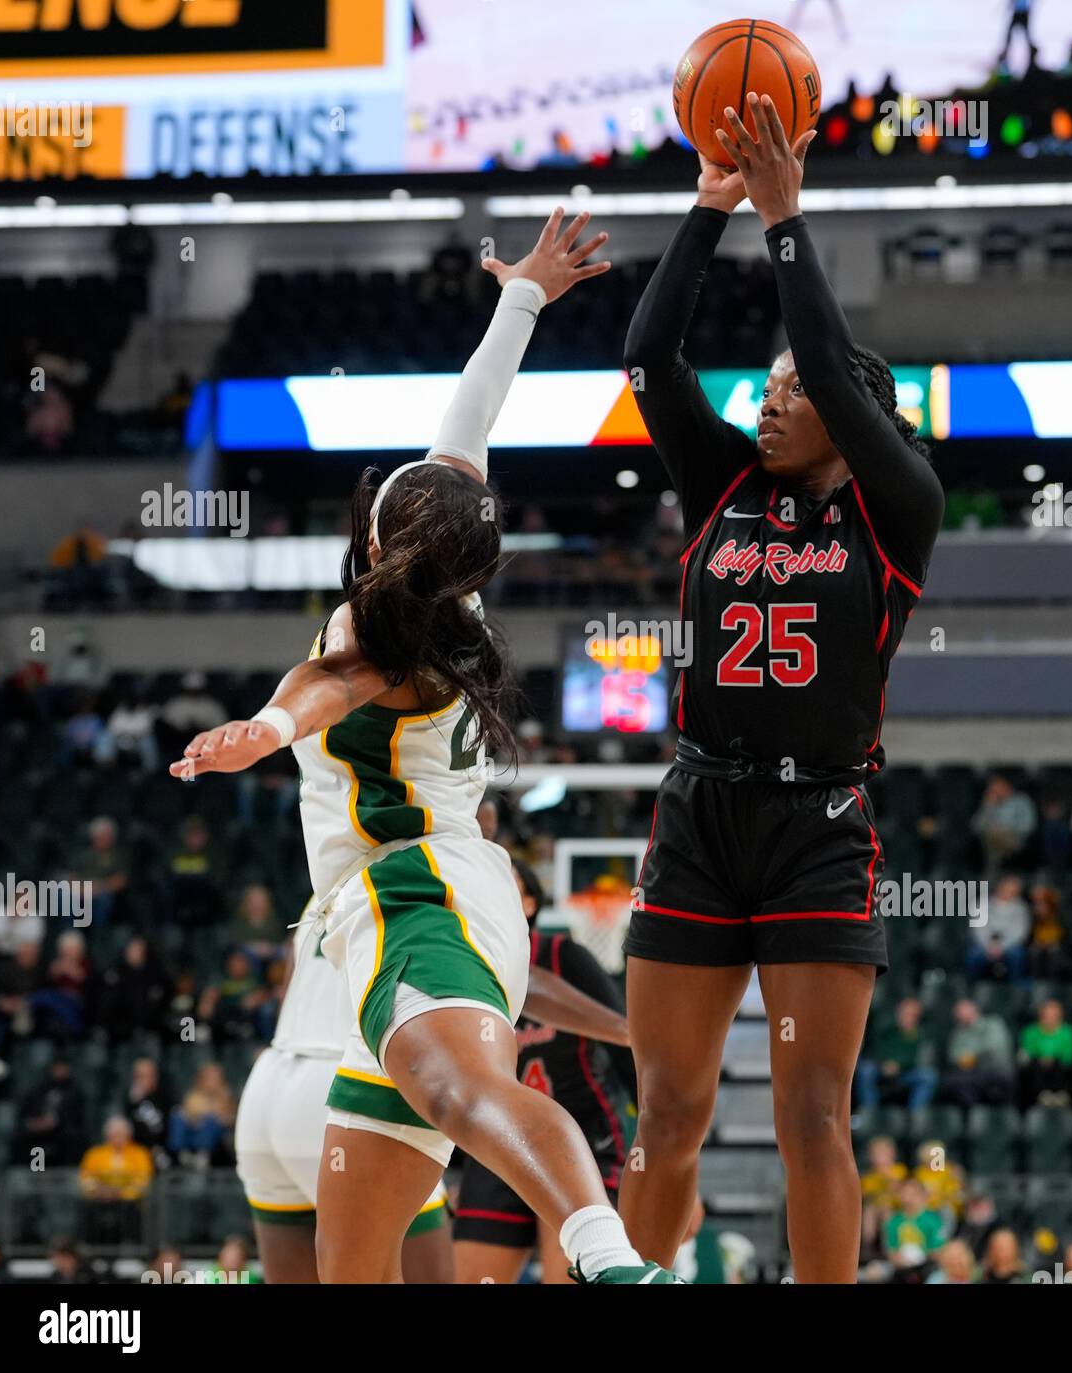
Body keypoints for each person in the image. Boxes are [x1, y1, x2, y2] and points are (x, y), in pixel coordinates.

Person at [172, 210, 677, 1286]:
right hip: (405, 912)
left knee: (464, 1094)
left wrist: (261, 728)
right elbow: (470, 418)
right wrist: (524, 296)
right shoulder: (453, 580)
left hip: (416, 892)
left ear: (373, 539)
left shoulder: (379, 633)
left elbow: (324, 686)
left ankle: (609, 1256)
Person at [618, 91, 943, 1284]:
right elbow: (649, 359)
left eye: (794, 386)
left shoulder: (896, 506)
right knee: (665, 1115)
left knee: (814, 1115)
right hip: (701, 815)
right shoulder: (720, 485)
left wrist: (789, 220)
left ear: (855, 415)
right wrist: (709, 215)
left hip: (820, 826)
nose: (769, 394)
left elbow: (836, 373)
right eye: (765, 379)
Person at [236, 887, 633, 1283]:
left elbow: (290, 984)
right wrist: (626, 1030)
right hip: (341, 1081)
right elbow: (521, 980)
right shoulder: (434, 876)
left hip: (269, 1085)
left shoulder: (332, 879)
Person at [453, 859, 638, 1283]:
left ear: (530, 902)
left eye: (509, 884)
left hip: (582, 1138)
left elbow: (626, 1043)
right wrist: (453, 1170)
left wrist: (662, 1150)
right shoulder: (462, 969)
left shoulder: (564, 956)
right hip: (497, 1143)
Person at [78, 1116, 155, 1244]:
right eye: (114, 1135)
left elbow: (143, 1181)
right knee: (86, 1210)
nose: (117, 1139)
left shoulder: (140, 1154)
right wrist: (99, 1192)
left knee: (132, 1212)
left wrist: (120, 1193)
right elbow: (86, 1179)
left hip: (129, 1203)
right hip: (100, 1200)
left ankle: (132, 1246)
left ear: (129, 1135)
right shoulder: (94, 1154)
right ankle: (90, 1246)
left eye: (121, 1135)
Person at [855, 996, 937, 1108]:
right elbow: (875, 1050)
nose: (907, 1017)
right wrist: (884, 1064)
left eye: (912, 1015)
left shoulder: (920, 1036)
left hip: (906, 1072)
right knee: (866, 1070)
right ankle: (870, 1111)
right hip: (882, 1069)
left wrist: (899, 1066)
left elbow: (919, 1059)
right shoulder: (888, 1031)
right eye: (905, 1013)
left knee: (928, 1076)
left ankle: (915, 1116)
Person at [941, 998, 1014, 1107]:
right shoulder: (958, 1033)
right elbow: (954, 1056)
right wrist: (972, 1057)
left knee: (1002, 1077)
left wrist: (970, 1056)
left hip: (996, 1068)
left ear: (974, 1009)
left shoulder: (993, 1023)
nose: (960, 1015)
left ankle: (1003, 1112)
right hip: (972, 1071)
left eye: (963, 1011)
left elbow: (993, 1048)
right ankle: (974, 1114)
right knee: (952, 1081)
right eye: (957, 1013)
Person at [966, 873, 1029, 981]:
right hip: (984, 944)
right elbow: (978, 928)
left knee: (1018, 955)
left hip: (1009, 945)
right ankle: (972, 987)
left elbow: (1020, 931)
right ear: (1000, 887)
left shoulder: (1021, 907)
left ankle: (1016, 989)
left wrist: (1002, 946)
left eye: (1014, 890)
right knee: (973, 955)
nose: (1010, 892)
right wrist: (989, 946)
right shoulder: (982, 903)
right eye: (1008, 888)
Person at [1018, 999, 1072, 1107]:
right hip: (1037, 1066)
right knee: (1033, 1065)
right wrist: (1043, 1057)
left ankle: (1061, 1094)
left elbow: (1070, 1054)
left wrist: (1052, 1057)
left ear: (1060, 1016)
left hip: (1060, 1067)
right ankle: (1042, 1094)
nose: (1050, 1019)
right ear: (1041, 1016)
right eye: (1047, 1015)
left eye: (1054, 1016)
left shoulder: (1068, 1032)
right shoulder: (1030, 1031)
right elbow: (1027, 1051)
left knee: (1060, 1064)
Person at [971, 773, 1036, 872]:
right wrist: (988, 807)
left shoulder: (1021, 800)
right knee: (992, 836)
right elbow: (976, 827)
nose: (995, 790)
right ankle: (999, 870)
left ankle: (995, 870)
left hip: (1016, 838)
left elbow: (1028, 825)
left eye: (998, 786)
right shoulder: (990, 804)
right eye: (992, 788)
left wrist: (1008, 830)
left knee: (996, 836)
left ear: (1007, 785)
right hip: (991, 839)